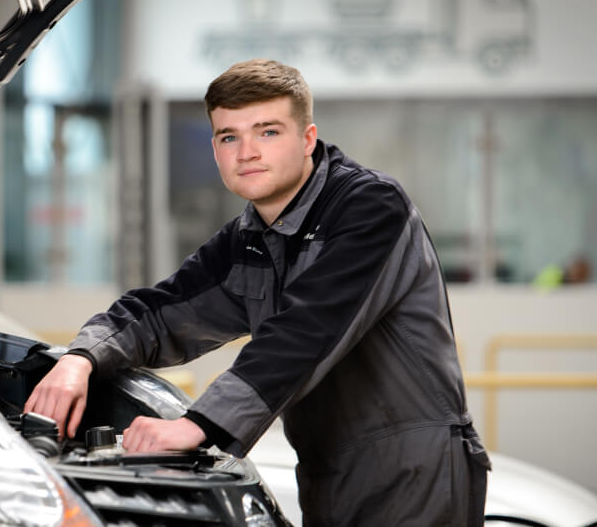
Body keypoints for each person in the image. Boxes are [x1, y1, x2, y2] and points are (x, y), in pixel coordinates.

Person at [25, 59, 490, 525]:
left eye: (267, 132)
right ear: (215, 149)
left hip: (414, 468)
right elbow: (161, 311)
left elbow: (306, 330)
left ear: (308, 139)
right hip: (324, 467)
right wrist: (78, 360)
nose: (246, 151)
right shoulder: (249, 238)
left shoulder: (370, 207)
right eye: (230, 136)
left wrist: (196, 426)